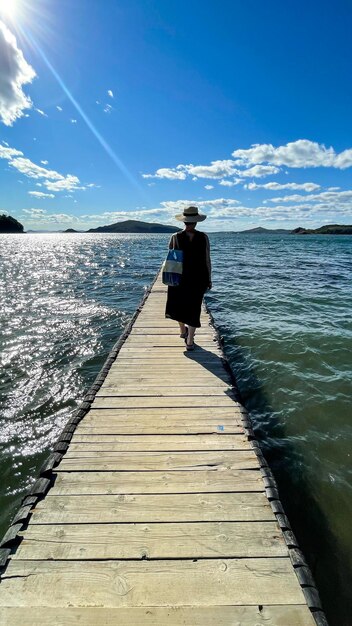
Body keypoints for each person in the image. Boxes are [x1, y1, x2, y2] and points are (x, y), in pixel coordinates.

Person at [165, 206, 212, 351]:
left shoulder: (175, 237)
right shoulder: (203, 237)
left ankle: (182, 332)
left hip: (179, 277)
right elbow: (207, 259)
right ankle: (190, 342)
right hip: (199, 278)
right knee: (194, 308)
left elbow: (170, 255)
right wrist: (209, 278)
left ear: (184, 222)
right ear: (196, 222)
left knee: (178, 305)